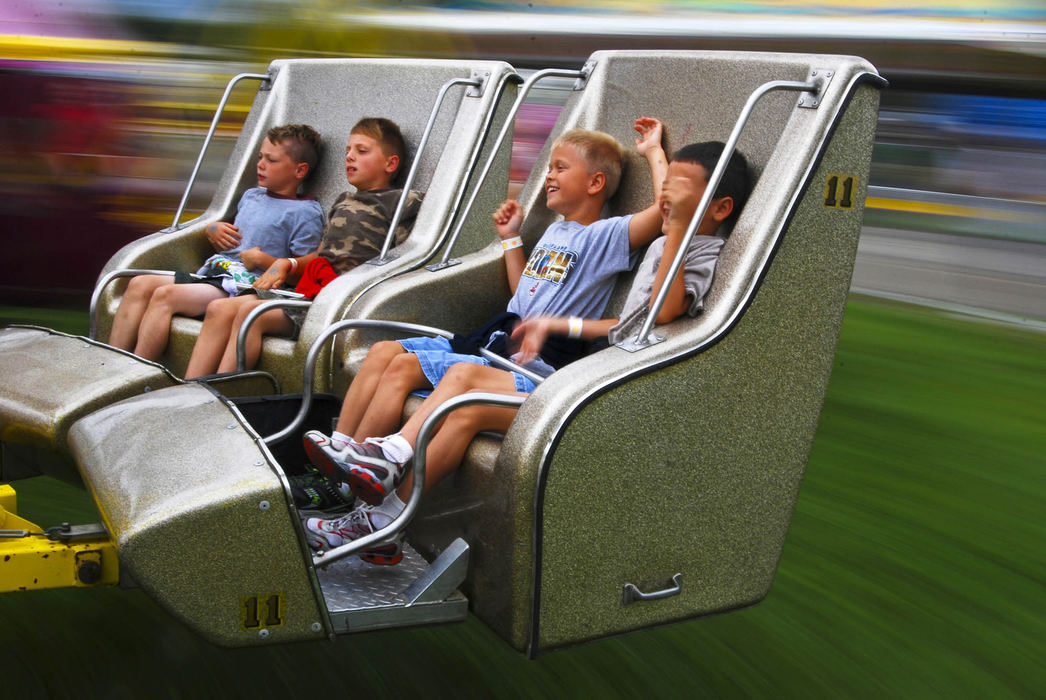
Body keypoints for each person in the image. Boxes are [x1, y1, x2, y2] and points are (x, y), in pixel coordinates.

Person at [301, 118, 703, 563]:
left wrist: (653, 153)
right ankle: (344, 471)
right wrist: (512, 241)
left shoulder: (607, 236)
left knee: (419, 368)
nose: (548, 175)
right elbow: (523, 293)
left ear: (595, 183)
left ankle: (383, 463)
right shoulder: (555, 231)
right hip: (501, 331)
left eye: (559, 168)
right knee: (383, 352)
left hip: (530, 357)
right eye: (548, 166)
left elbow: (668, 212)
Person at [182, 117, 423, 378]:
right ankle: (190, 387)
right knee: (221, 309)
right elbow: (320, 254)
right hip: (309, 292)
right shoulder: (343, 201)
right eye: (348, 151)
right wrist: (290, 263)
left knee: (249, 318)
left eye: (361, 151)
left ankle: (221, 391)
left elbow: (403, 258)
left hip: (339, 302)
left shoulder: (399, 203)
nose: (350, 157)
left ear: (391, 164)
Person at [108, 124, 325, 361]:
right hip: (217, 273)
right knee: (139, 284)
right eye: (260, 157)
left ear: (299, 170)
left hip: (242, 288)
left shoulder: (305, 213)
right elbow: (232, 234)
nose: (260, 164)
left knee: (164, 296)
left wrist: (263, 260)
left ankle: (138, 370)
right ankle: (112, 361)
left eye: (271, 160)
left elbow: (303, 275)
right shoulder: (252, 196)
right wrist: (213, 229)